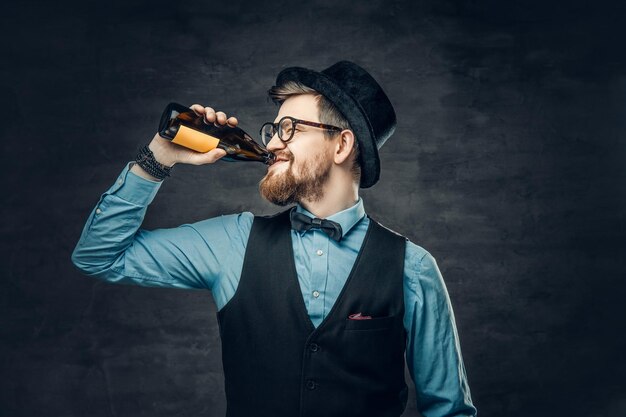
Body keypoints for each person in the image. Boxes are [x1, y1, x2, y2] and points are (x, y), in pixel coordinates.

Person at [71, 60, 477, 417]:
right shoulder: (232, 242)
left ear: (342, 144)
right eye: (273, 129)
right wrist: (159, 157)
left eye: (289, 129)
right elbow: (99, 255)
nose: (271, 143)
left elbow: (449, 411)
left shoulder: (413, 267)